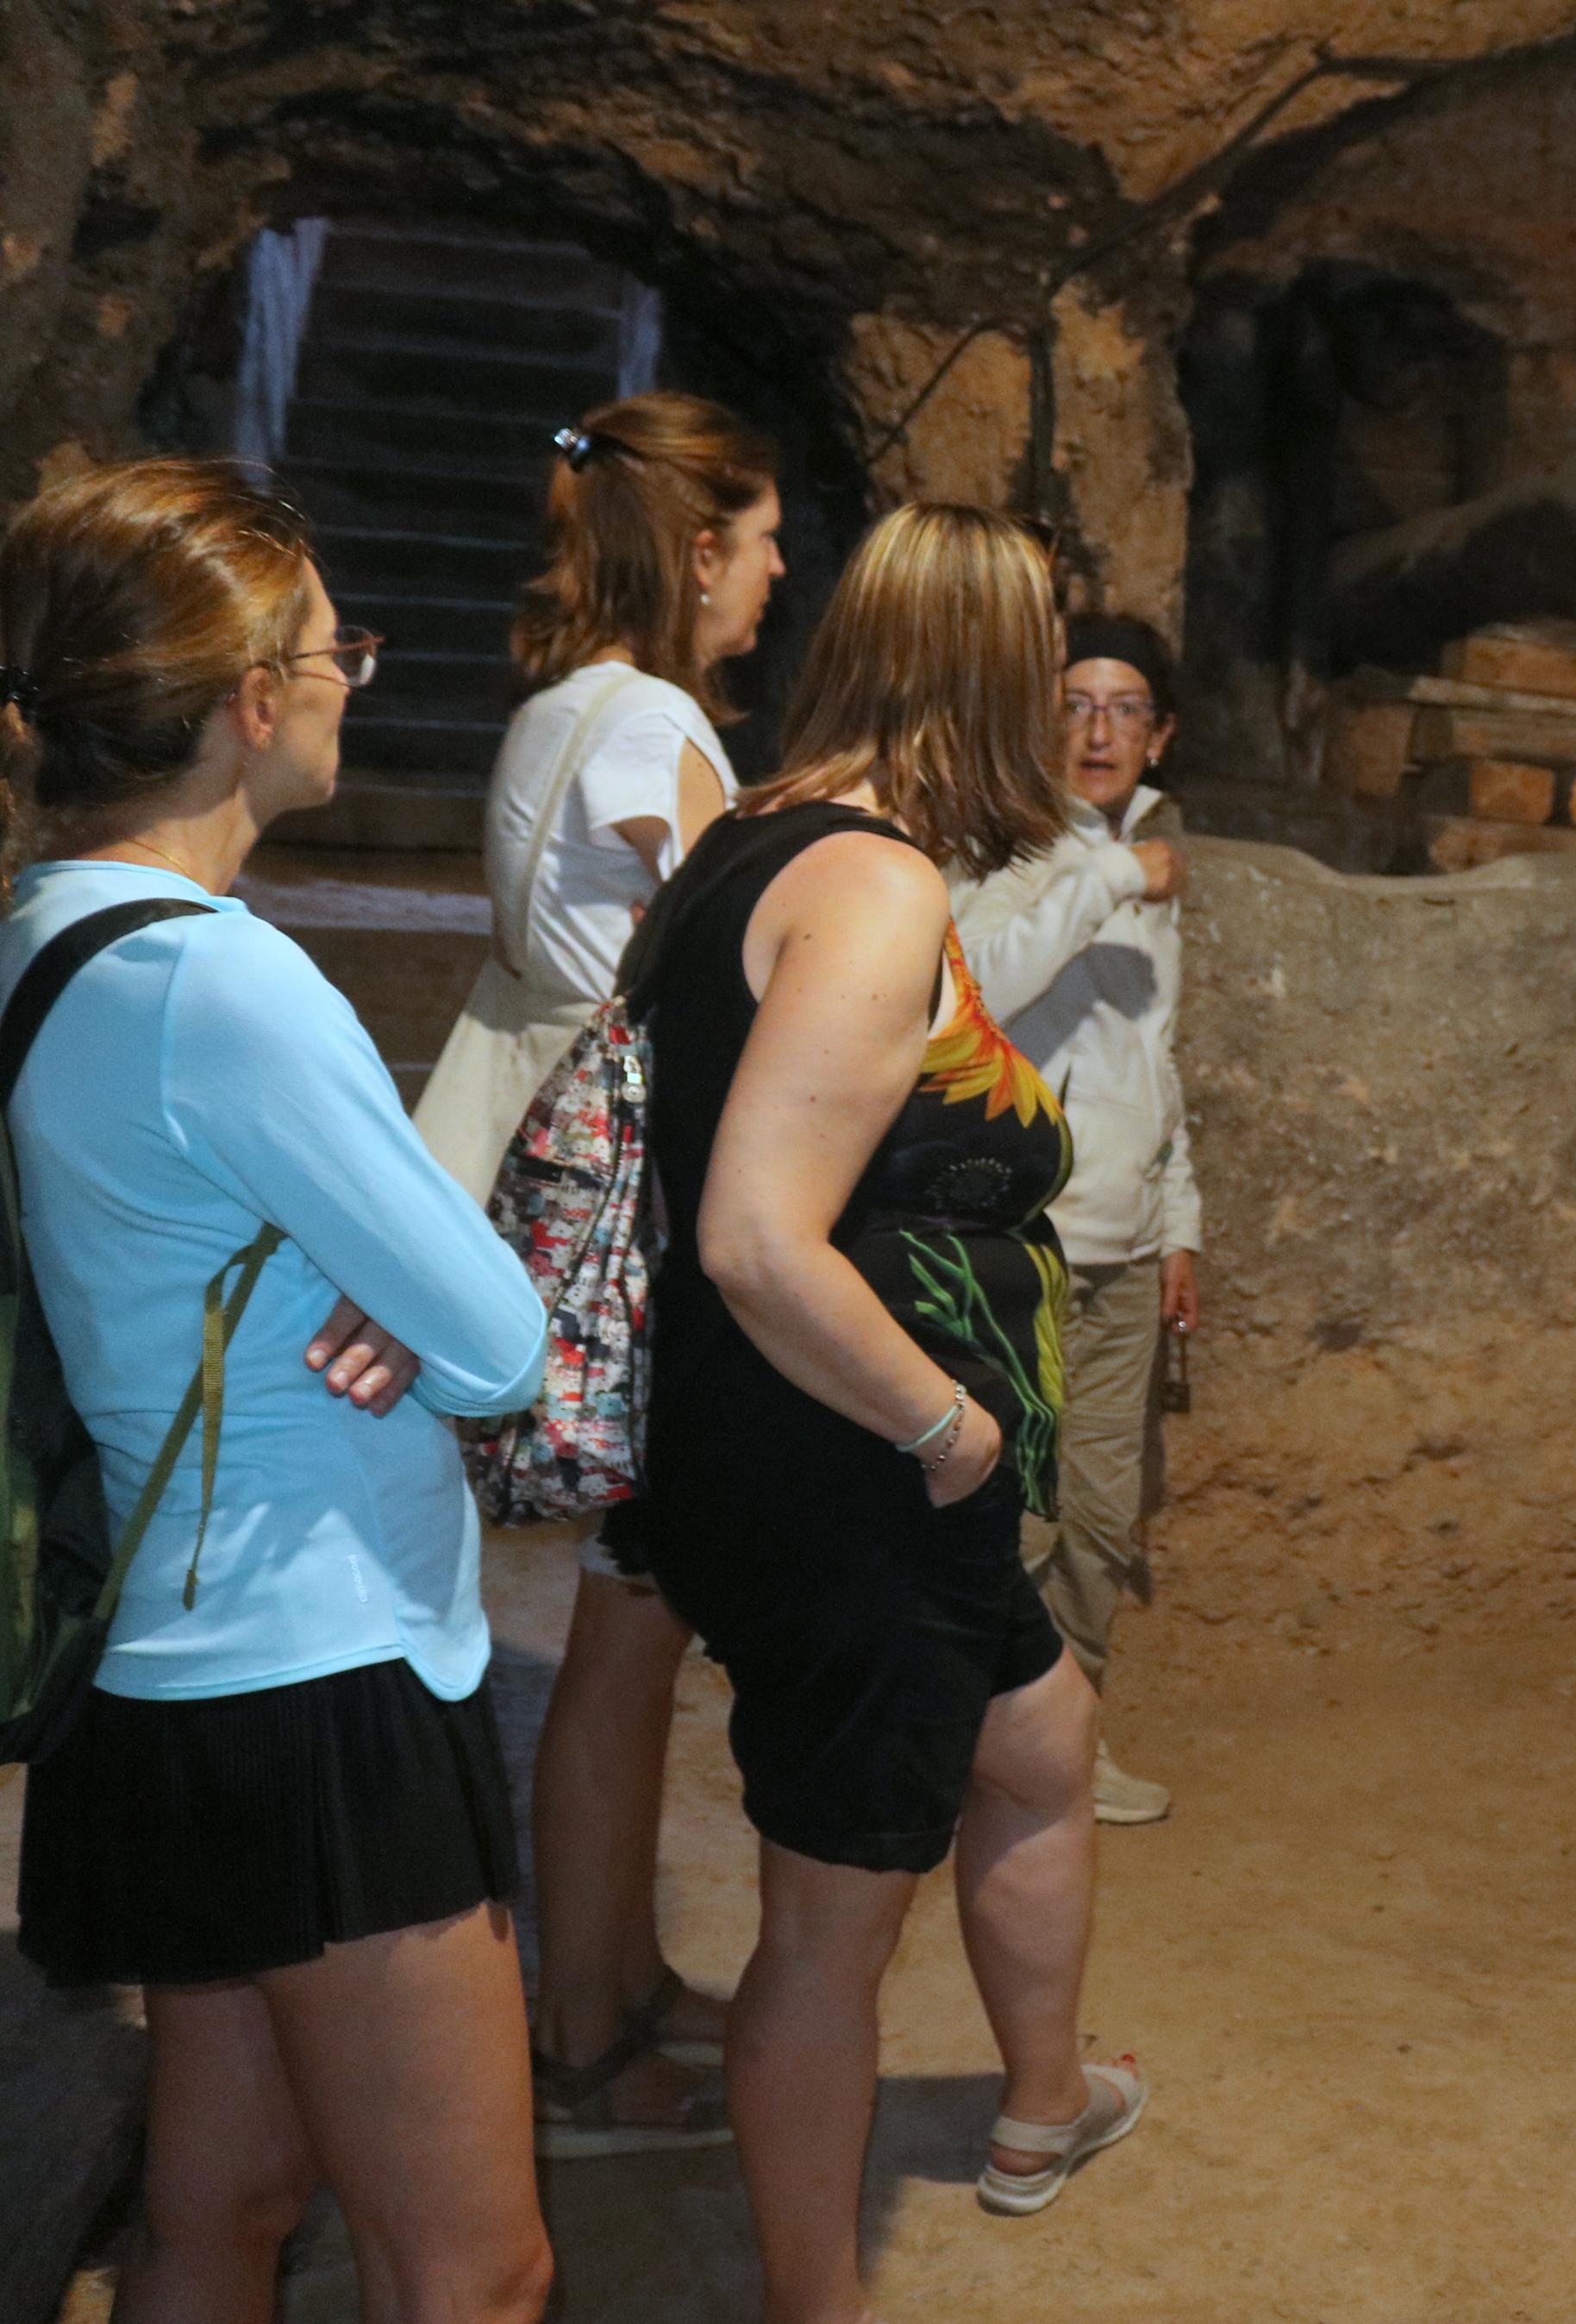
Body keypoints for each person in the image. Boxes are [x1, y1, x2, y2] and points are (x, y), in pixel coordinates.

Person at [2, 458, 552, 2319]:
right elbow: (495, 1338)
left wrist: (371, 1267)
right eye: (337, 651)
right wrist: (395, 1280)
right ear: (251, 703)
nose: (348, 678)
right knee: (473, 2269)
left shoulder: (42, 936)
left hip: (158, 1674)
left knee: (218, 2210)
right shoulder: (222, 984)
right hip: (319, 1682)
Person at [622, 502, 1134, 2324]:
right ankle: (810, 2299)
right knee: (830, 1927)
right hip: (852, 1464)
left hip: (806, 1451)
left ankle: (1046, 2094)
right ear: (993, 679)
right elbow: (760, 1230)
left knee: (1042, 1739)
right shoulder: (873, 883)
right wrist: (945, 1425)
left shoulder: (749, 835)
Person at [419, 392, 785, 2158]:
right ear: (698, 547)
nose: (782, 570)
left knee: (635, 1626)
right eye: (764, 537)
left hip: (565, 1196)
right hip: (633, 1232)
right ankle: (585, 2033)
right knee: (629, 1639)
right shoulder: (648, 726)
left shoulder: (556, 707)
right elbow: (720, 973)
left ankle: (624, 1970)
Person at [952, 612, 1200, 1825]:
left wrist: (1182, 1218)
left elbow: (1159, 1061)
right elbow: (981, 984)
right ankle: (984, 1747)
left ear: (1161, 737)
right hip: (1023, 1242)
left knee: (1102, 1527)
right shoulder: (1004, 847)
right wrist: (1105, 874)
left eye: (1124, 710)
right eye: (1076, 705)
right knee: (1023, 1521)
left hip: (1128, 1245)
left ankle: (1068, 1749)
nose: (1098, 732)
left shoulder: (1152, 857)